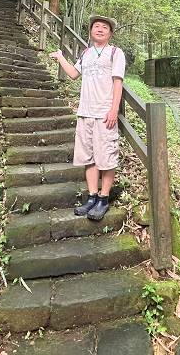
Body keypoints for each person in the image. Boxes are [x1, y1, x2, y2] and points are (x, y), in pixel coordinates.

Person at [49, 15, 125, 221]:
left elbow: (118, 83)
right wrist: (60, 57)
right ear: (91, 31)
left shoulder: (115, 53)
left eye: (104, 27)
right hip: (85, 113)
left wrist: (113, 110)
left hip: (104, 114)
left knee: (107, 157)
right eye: (96, 26)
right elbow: (74, 74)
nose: (100, 29)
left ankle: (104, 198)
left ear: (110, 33)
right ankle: (91, 197)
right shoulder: (86, 53)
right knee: (88, 157)